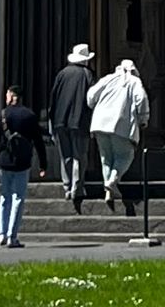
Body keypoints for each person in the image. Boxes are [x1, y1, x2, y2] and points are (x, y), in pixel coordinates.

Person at [85, 56, 148, 217]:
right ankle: (113, 180)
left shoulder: (107, 79)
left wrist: (95, 106)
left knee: (106, 158)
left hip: (100, 123)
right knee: (125, 155)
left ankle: (109, 191)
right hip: (121, 123)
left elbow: (91, 95)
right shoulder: (134, 82)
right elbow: (141, 99)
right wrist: (143, 118)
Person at [0, 84, 45, 248]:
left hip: (4, 161)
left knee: (5, 197)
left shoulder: (2, 115)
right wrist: (43, 164)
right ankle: (13, 235)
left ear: (10, 96)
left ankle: (2, 234)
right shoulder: (29, 116)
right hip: (23, 161)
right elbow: (38, 141)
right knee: (18, 197)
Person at [47, 43, 95, 205]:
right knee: (79, 156)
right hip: (79, 121)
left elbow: (53, 99)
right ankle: (77, 187)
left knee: (65, 156)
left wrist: (51, 123)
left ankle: (67, 187)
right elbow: (92, 99)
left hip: (60, 121)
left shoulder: (62, 74)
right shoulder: (87, 75)